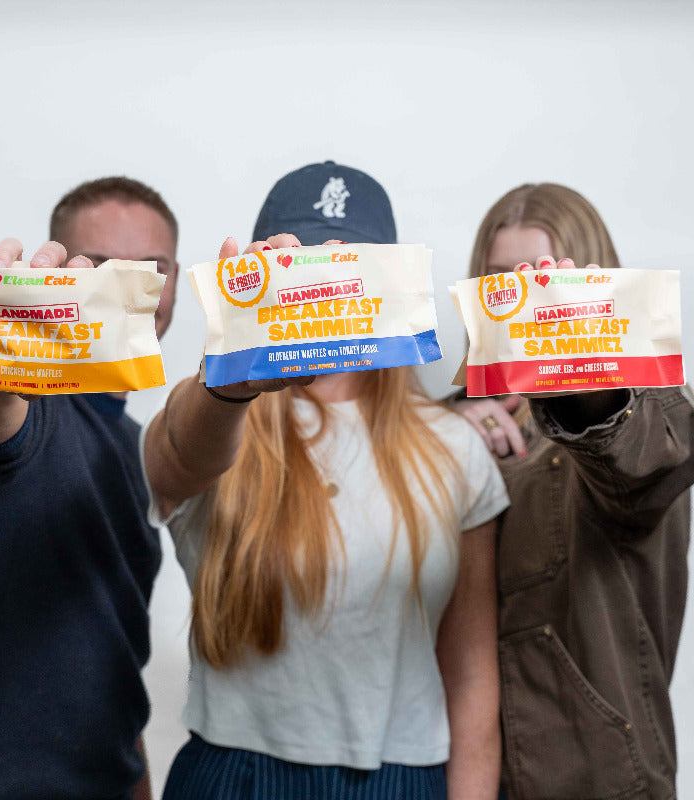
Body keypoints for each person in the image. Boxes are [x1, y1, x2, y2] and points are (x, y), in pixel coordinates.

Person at [143, 161, 510, 799]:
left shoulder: (455, 446)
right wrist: (229, 384)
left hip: (404, 778)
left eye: (353, 266)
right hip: (234, 776)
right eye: (303, 264)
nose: (327, 286)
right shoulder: (213, 415)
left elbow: (472, 674)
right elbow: (178, 452)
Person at [0, 177, 178, 800]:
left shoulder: (141, 448)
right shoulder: (23, 412)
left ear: (175, 285)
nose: (130, 284)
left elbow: (111, 648)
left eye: (152, 269)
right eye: (101, 266)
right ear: (62, 267)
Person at [453, 182, 694, 800]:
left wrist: (579, 381)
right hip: (457, 773)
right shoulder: (446, 423)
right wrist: (442, 431)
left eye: (545, 278)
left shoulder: (630, 420)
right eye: (503, 279)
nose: (527, 297)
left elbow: (645, 462)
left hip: (595, 780)